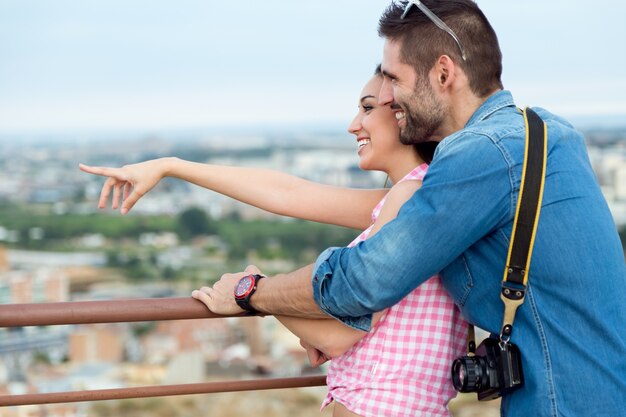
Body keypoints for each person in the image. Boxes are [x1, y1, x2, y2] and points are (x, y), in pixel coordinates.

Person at [192, 1, 626, 417]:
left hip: (562, 403)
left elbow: (364, 280)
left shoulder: (481, 154)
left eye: (395, 81)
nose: (389, 97)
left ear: (443, 73)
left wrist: (252, 292)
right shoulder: (545, 130)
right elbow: (296, 195)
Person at [80, 68, 467, 416]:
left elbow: (337, 337)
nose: (353, 124)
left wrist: (249, 290)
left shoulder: (410, 197)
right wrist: (172, 166)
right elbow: (287, 192)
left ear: (404, 112)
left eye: (367, 108)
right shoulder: (412, 196)